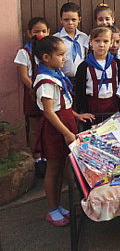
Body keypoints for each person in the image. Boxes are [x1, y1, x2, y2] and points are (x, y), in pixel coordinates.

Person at [33, 36, 94, 226]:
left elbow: (63, 103)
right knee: (53, 169)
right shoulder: (45, 80)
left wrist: (75, 115)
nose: (64, 58)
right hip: (56, 129)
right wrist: (67, 133)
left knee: (61, 168)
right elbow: (50, 112)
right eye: (60, 55)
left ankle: (58, 205)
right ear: (46, 57)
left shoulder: (55, 73)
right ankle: (52, 209)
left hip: (66, 123)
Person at [14, 17, 50, 177]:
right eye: (36, 32)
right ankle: (37, 158)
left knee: (49, 124)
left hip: (47, 93)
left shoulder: (48, 51)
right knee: (34, 126)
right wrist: (36, 89)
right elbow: (23, 76)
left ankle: (48, 155)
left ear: (48, 32)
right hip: (33, 93)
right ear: (29, 33)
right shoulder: (24, 52)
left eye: (43, 31)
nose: (40, 34)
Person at [75, 27, 120, 121]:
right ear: (91, 42)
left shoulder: (118, 64)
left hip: (113, 106)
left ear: (111, 43)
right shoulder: (84, 67)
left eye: (105, 41)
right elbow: (80, 92)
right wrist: (82, 111)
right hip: (92, 108)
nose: (101, 45)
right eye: (97, 41)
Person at [53, 2, 89, 80]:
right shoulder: (56, 39)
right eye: (66, 20)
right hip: (62, 78)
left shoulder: (84, 37)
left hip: (82, 79)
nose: (70, 23)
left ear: (79, 19)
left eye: (73, 19)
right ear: (60, 19)